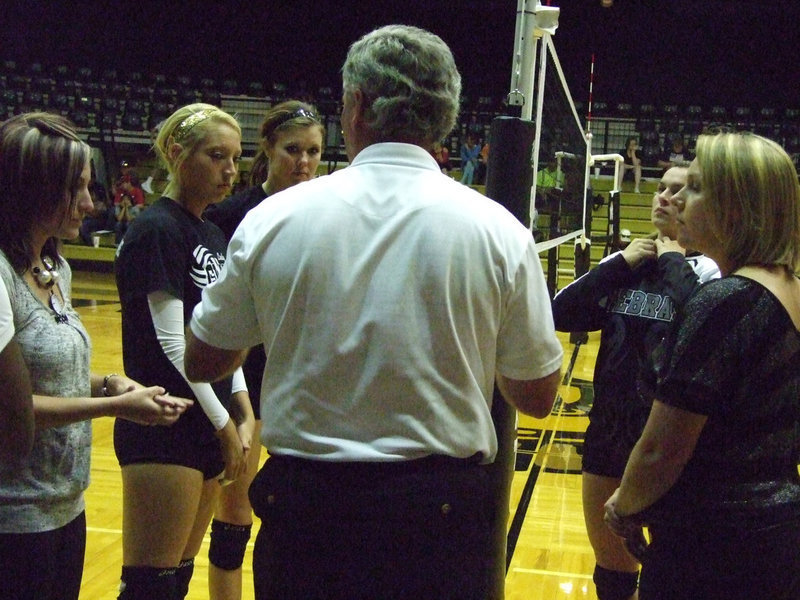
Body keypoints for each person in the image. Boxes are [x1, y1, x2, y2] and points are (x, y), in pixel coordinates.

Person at [185, 24, 563, 599]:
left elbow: (206, 360)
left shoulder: (273, 219)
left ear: (356, 107)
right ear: (446, 118)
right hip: (440, 523)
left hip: (309, 516)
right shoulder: (500, 232)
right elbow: (536, 397)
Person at [0, 112, 191, 600]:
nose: (91, 203)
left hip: (65, 505)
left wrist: (109, 382)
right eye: (77, 189)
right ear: (34, 190)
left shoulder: (53, 267)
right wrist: (114, 407)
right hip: (14, 517)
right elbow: (11, 409)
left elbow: (40, 382)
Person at [604, 131, 800, 599]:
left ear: (735, 204)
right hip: (774, 533)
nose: (677, 200)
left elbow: (663, 448)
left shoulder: (726, 300)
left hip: (715, 549)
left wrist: (625, 505)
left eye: (693, 187)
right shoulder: (788, 285)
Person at [551, 165, 718, 600]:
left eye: (677, 190)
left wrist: (671, 262)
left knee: (671, 573)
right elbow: (560, 313)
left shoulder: (712, 272)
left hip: (673, 446)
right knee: (612, 572)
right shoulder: (625, 264)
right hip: (608, 438)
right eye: (660, 187)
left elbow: (696, 323)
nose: (663, 196)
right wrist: (619, 264)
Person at [114, 103, 255, 600]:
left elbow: (223, 335)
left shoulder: (212, 233)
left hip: (207, 421)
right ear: (177, 153)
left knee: (178, 577)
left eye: (236, 158)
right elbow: (175, 343)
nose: (230, 170)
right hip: (164, 424)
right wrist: (222, 424)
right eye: (217, 156)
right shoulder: (156, 229)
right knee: (150, 585)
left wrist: (243, 412)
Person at [202, 99, 324, 600]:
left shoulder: (327, 212)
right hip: (245, 379)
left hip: (306, 380)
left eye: (314, 151)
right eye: (293, 149)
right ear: (267, 149)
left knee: (304, 517)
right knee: (235, 517)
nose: (304, 162)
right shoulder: (232, 216)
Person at [0, 276, 34, 462]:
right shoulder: (4, 272)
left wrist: (106, 384)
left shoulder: (58, 267)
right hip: (19, 486)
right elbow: (17, 428)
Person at [113, 177, 145, 244]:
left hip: (131, 221)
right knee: (118, 224)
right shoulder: (119, 207)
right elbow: (119, 218)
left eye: (127, 200)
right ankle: (117, 243)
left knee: (128, 224)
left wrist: (127, 208)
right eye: (124, 200)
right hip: (122, 220)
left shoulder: (134, 208)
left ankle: (127, 242)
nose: (125, 201)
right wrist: (124, 208)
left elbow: (129, 219)